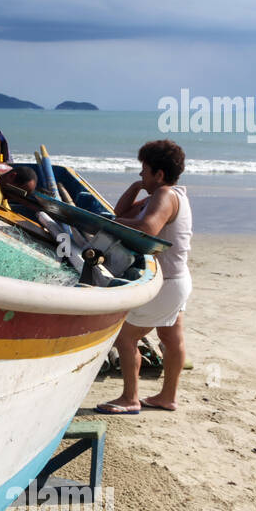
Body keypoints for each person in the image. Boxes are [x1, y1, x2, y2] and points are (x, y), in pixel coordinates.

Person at [97, 139, 192, 413]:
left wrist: (107, 224)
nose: (140, 174)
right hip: (179, 280)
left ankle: (130, 398)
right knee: (172, 338)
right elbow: (123, 212)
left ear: (159, 174)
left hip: (165, 284)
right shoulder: (172, 194)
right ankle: (168, 397)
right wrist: (137, 186)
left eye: (144, 170)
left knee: (125, 337)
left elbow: (147, 228)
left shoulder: (163, 195)